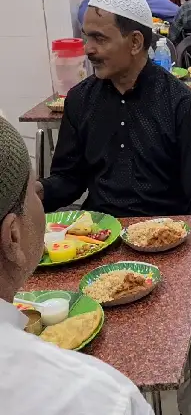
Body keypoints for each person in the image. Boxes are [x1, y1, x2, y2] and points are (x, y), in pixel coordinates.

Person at [45, 0, 191, 415]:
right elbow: (67, 180)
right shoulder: (80, 101)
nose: (87, 49)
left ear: (135, 42)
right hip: (102, 240)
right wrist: (29, 192)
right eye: (85, 36)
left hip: (177, 238)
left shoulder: (182, 105)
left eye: (98, 38)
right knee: (54, 318)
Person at [0, 117, 155, 414]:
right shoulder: (99, 398)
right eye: (34, 191)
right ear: (13, 235)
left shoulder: (179, 102)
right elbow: (67, 178)